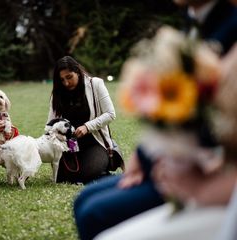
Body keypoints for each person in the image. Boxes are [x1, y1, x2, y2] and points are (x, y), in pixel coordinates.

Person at [73, 1, 237, 239]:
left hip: (203, 171)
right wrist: (142, 154)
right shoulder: (189, 25)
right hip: (167, 163)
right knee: (84, 199)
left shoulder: (229, 28)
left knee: (94, 212)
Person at [47, 55, 116, 184]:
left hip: (94, 142)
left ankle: (105, 161)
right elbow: (49, 124)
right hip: (68, 146)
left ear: (77, 72)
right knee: (64, 177)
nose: (66, 83)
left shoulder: (95, 84)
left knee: (88, 173)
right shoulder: (57, 93)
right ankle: (98, 172)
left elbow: (110, 113)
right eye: (62, 80)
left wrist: (87, 127)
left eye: (69, 77)